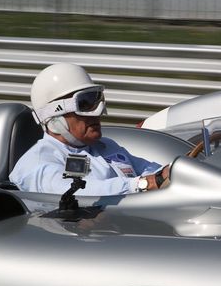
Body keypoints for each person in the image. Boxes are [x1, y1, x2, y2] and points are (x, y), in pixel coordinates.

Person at [10, 63, 170, 195]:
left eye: (96, 99)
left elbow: (153, 172)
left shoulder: (106, 146)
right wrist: (141, 184)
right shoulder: (37, 163)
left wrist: (173, 170)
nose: (97, 112)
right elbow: (76, 192)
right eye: (85, 103)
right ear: (55, 115)